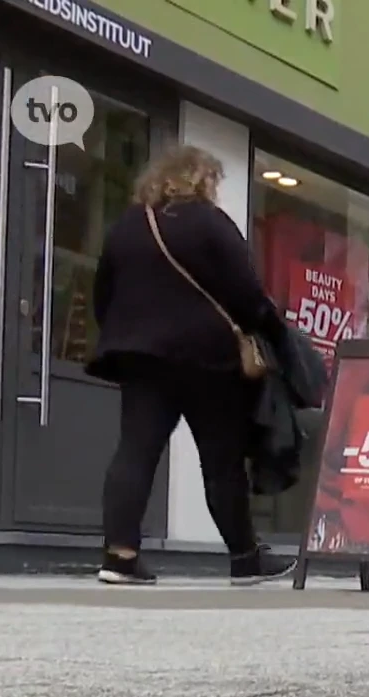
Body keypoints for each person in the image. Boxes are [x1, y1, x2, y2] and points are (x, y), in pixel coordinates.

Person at [91, 144, 293, 587]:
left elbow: (103, 292)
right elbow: (247, 293)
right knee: (221, 460)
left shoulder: (128, 225)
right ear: (201, 179)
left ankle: (120, 556)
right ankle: (244, 558)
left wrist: (129, 336)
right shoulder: (210, 223)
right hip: (209, 359)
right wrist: (270, 334)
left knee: (135, 452)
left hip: (142, 357)